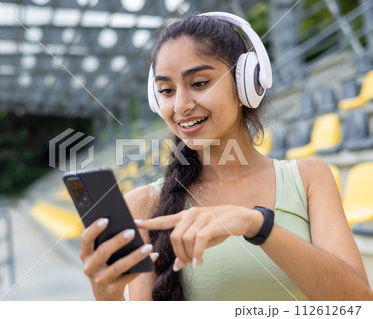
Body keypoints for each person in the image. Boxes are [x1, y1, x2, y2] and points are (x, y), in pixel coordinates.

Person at [79, 12, 373, 301]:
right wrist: (110, 299)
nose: (180, 105)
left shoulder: (309, 178)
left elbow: (358, 304)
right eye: (166, 90)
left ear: (247, 81)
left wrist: (258, 225)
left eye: (199, 83)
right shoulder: (144, 206)